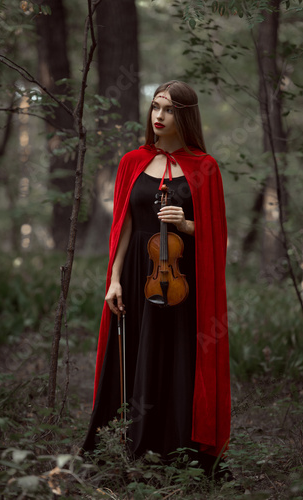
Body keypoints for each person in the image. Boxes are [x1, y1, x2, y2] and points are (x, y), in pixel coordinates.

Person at [80, 80, 231, 477]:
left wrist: (185, 223)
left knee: (176, 356)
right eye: (156, 107)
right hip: (134, 275)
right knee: (132, 354)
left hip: (181, 281)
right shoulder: (133, 161)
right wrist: (113, 280)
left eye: (168, 109)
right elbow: (123, 227)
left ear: (185, 116)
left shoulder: (205, 166)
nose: (159, 116)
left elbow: (216, 236)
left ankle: (176, 450)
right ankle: (129, 444)